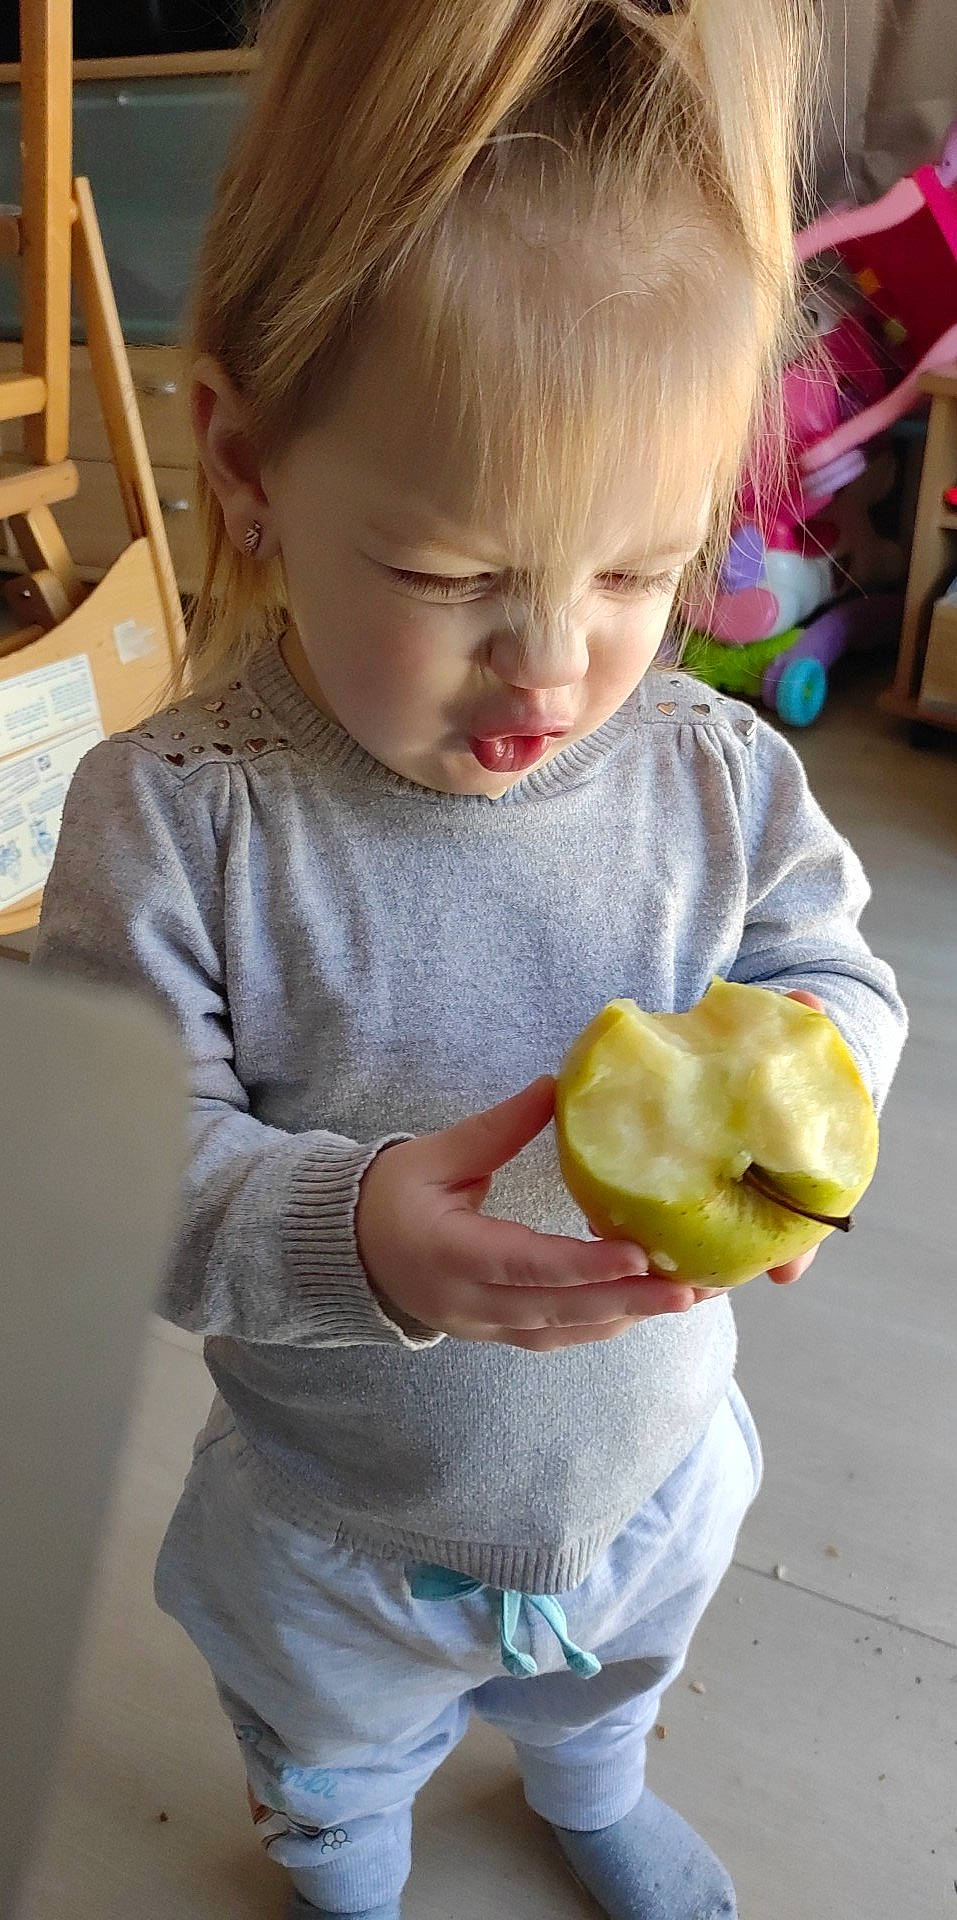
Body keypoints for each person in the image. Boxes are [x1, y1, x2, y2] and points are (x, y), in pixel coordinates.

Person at [33, 3, 908, 1917]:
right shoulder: (179, 818)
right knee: (331, 1741)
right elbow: (109, 1175)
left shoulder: (710, 768)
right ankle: (344, 1855)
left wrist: (814, 1076)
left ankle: (587, 1783)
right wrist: (347, 1232)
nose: (557, 663)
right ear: (246, 464)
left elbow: (827, 962)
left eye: (632, 568)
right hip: (343, 1511)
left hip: (649, 1462)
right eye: (452, 577)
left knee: (615, 1678)